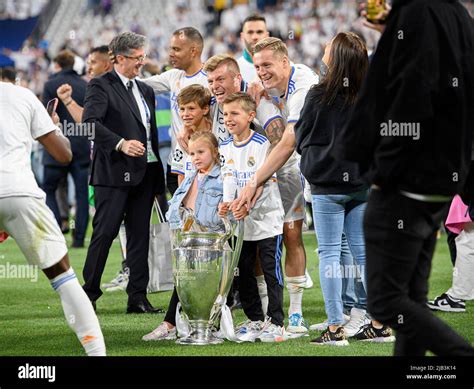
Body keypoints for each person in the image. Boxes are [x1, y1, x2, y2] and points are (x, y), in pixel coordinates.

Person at [336, 0, 474, 355]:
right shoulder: (452, 11)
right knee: (410, 298)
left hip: (406, 181)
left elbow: (415, 92)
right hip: (436, 179)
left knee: (385, 303)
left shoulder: (419, 13)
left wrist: (384, 169)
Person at [296, 32, 393, 345]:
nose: (323, 52)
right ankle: (378, 325)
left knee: (329, 255)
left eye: (327, 49)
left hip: (327, 187)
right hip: (363, 185)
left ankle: (336, 328)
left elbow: (301, 137)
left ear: (335, 58)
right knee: (365, 255)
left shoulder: (317, 94)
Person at [0, 81, 106, 356]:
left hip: (14, 192)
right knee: (62, 275)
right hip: (17, 192)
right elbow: (63, 154)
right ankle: (96, 353)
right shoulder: (22, 95)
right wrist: (54, 125)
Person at [236, 37, 319, 334]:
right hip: (282, 167)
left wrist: (254, 181)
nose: (261, 72)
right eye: (257, 66)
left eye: (267, 65)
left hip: (296, 170)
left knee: (293, 235)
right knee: (262, 239)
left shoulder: (303, 85)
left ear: (285, 62)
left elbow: (286, 143)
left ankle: (296, 313)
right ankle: (263, 315)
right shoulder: (266, 89)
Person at [82, 31, 166, 313]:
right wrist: (120, 144)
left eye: (143, 57)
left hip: (146, 174)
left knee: (140, 236)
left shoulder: (145, 90)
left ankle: (138, 297)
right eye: (137, 58)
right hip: (113, 175)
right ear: (119, 58)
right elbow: (89, 124)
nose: (141, 63)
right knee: (104, 234)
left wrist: (157, 179)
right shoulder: (100, 85)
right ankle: (89, 295)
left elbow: (150, 136)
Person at [143, 131, 224, 341]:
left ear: (215, 152)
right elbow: (178, 206)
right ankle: (182, 323)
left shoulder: (222, 177)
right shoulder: (191, 176)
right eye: (192, 153)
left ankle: (181, 324)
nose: (195, 157)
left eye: (200, 152)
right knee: (185, 281)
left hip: (211, 239)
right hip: (187, 236)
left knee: (200, 283)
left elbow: (222, 212)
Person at [220, 92, 286, 342]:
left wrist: (248, 203)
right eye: (225, 114)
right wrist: (226, 204)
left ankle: (277, 322)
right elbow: (228, 177)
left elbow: (261, 180)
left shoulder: (262, 144)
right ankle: (255, 319)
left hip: (267, 218)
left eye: (234, 113)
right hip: (240, 221)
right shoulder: (225, 146)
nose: (228, 118)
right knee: (243, 271)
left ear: (250, 116)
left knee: (271, 270)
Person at [142, 27, 208, 195]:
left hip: (203, 162)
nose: (171, 53)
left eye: (177, 49)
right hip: (177, 163)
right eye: (170, 48)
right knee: (181, 217)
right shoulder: (173, 76)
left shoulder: (210, 79)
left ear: (193, 51)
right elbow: (140, 86)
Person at [42, 50, 90, 248]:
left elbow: (47, 115)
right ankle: (78, 239)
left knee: (49, 188)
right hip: (81, 145)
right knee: (81, 194)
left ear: (57, 65)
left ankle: (58, 234)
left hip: (57, 145)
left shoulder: (50, 84)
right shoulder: (85, 85)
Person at [170, 84, 213, 183]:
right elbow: (181, 175)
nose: (185, 114)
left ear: (205, 109)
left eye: (191, 108)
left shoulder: (217, 133)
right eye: (182, 109)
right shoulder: (183, 138)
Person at [237, 14, 269, 83]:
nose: (254, 37)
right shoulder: (234, 70)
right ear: (242, 36)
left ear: (267, 36)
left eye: (259, 32)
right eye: (250, 32)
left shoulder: (283, 67)